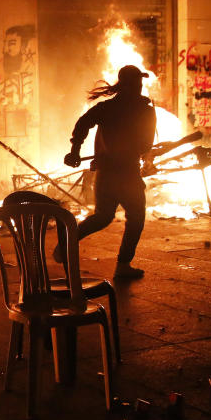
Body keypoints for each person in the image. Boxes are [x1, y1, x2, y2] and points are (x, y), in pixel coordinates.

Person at [61, 64, 157, 279]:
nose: (140, 87)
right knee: (137, 217)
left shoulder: (105, 108)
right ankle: (123, 266)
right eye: (137, 83)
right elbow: (145, 144)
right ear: (129, 85)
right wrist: (147, 155)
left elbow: (82, 124)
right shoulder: (145, 110)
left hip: (105, 173)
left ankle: (66, 243)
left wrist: (75, 150)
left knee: (103, 216)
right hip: (128, 174)